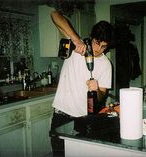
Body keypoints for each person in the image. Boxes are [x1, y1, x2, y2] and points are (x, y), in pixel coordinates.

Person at [49, 9, 115, 157]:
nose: (98, 49)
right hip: (61, 116)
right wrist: (75, 39)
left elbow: (101, 97)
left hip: (84, 120)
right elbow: (54, 15)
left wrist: (97, 89)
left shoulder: (106, 64)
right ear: (91, 37)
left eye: (104, 46)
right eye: (97, 43)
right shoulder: (76, 47)